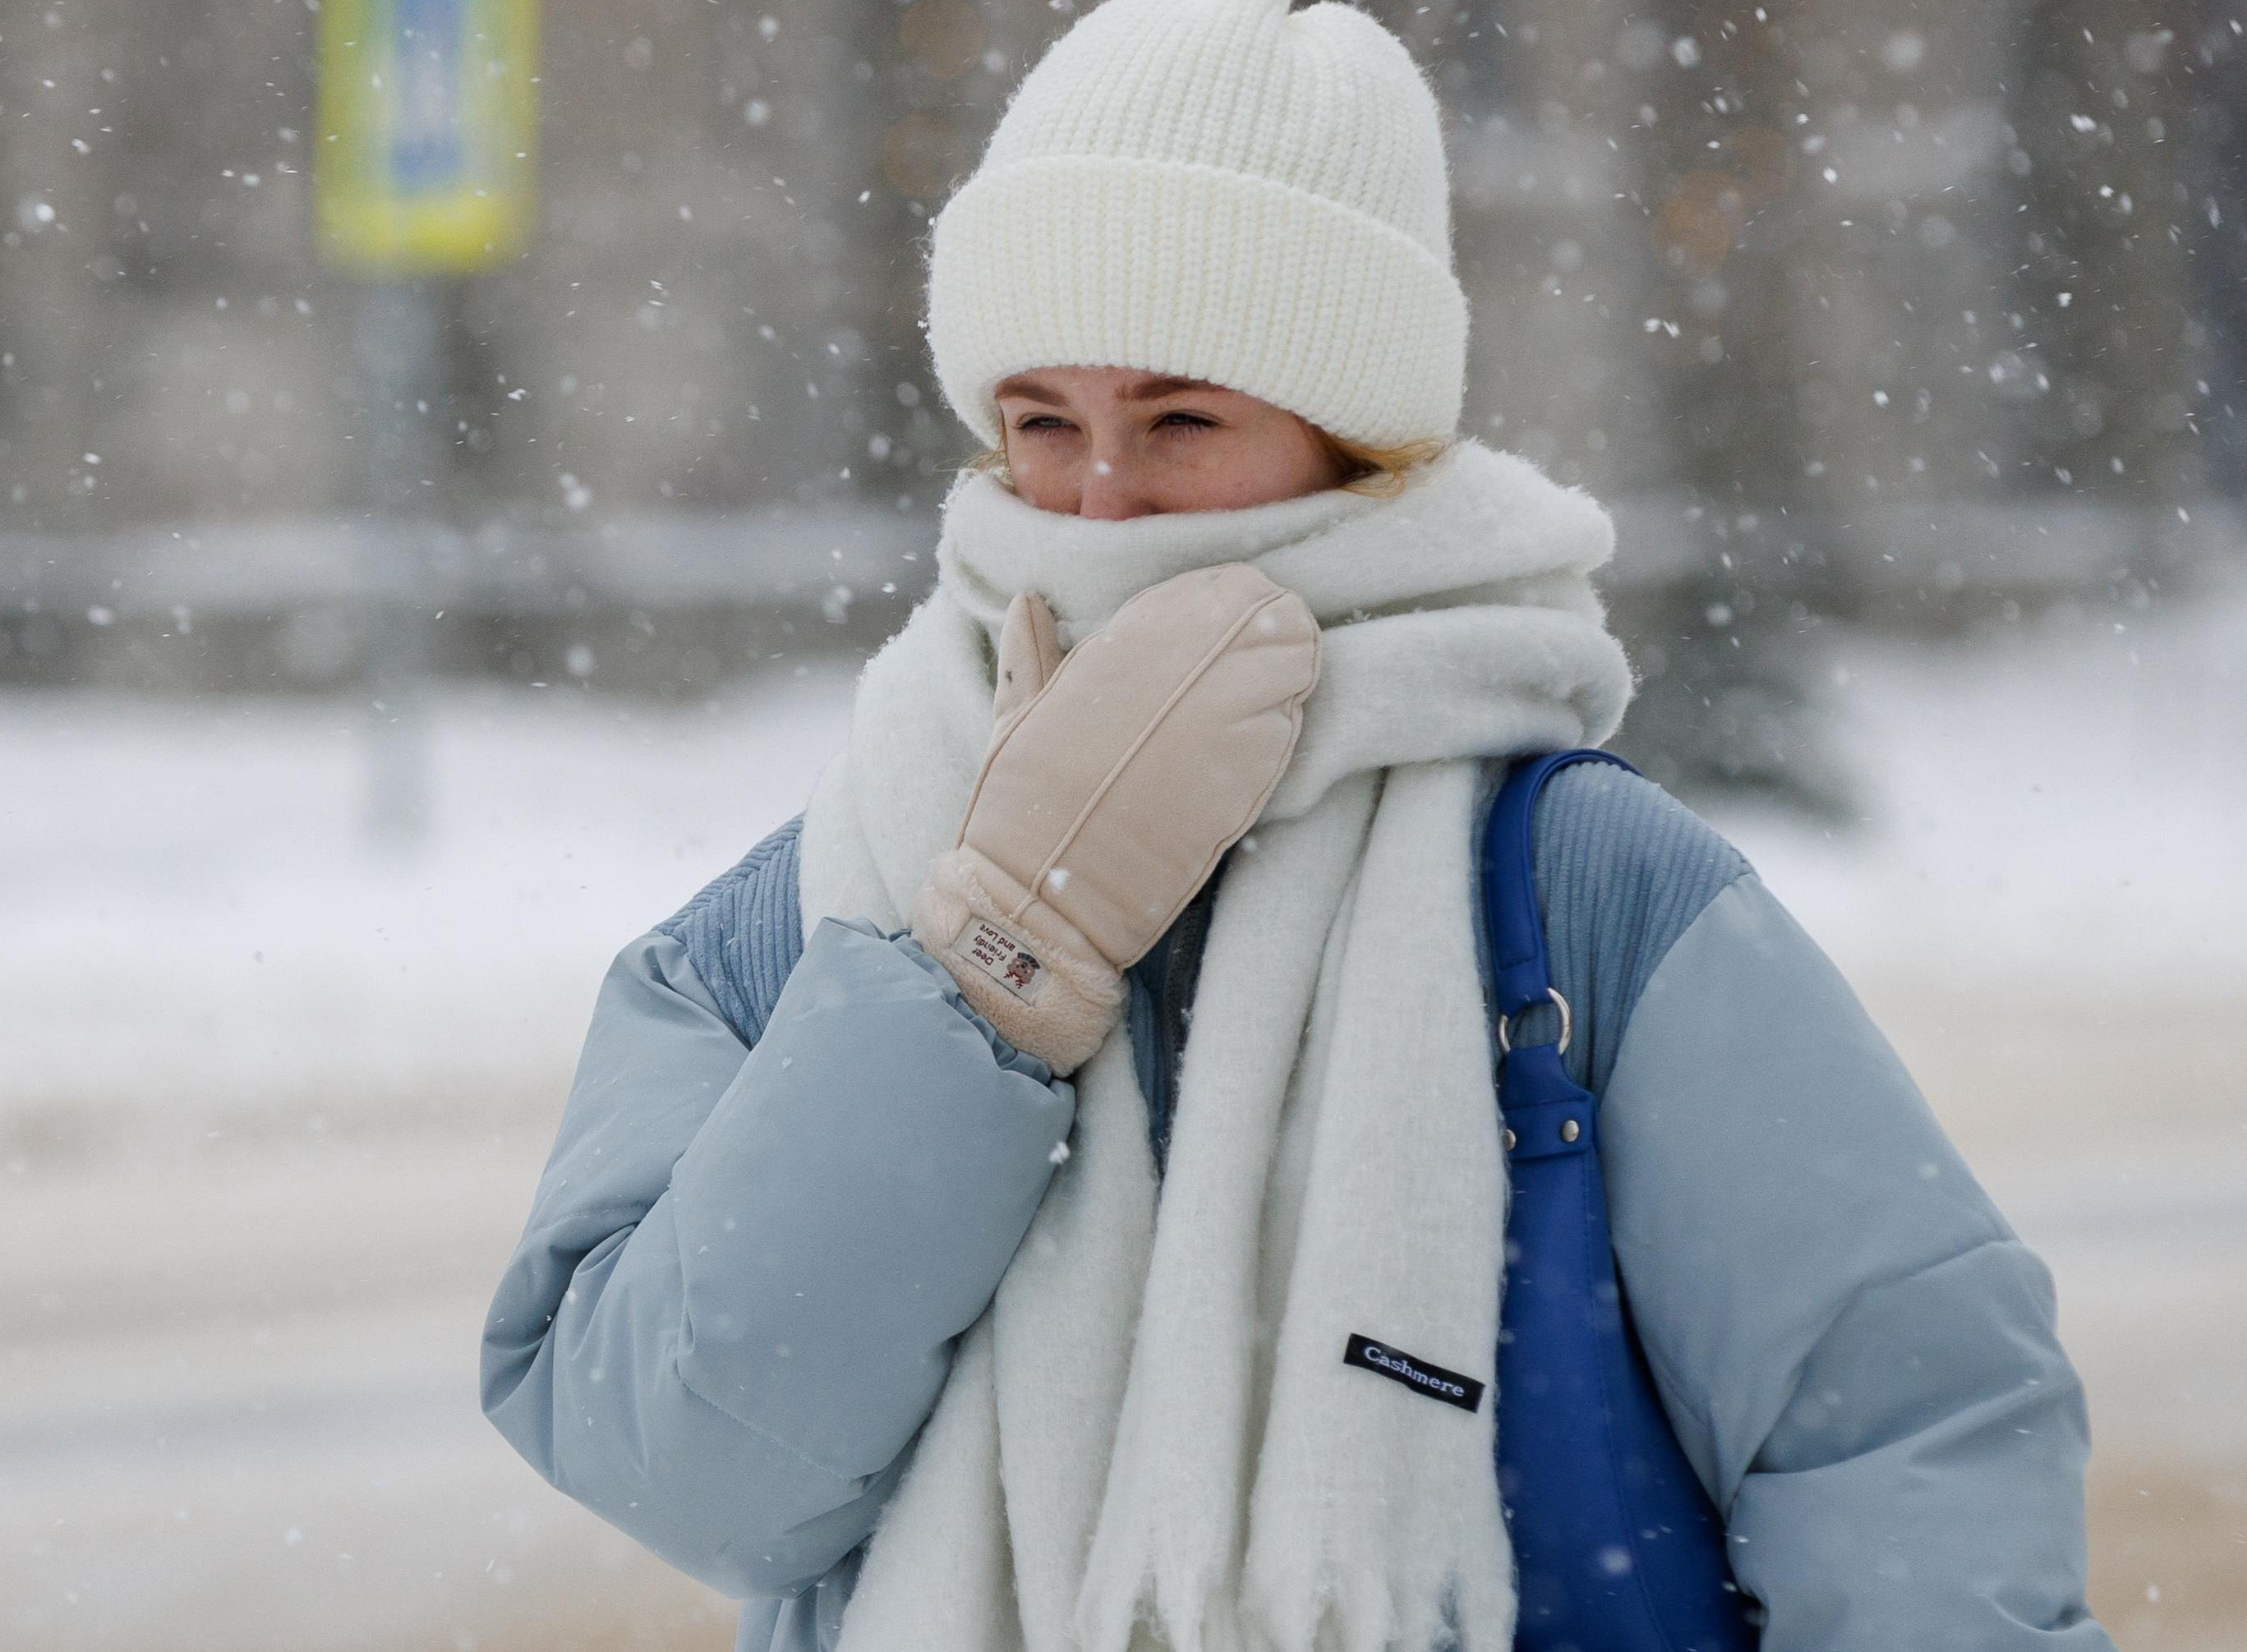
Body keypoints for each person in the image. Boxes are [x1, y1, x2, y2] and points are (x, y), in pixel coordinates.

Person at [481, 2, 2115, 1650]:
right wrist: (986, 968)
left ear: (1356, 444)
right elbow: (681, 1469)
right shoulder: (827, 902)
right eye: (1042, 422)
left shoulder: (1578, 890)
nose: (1096, 499)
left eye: (1179, 422)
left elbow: (1902, 1426)